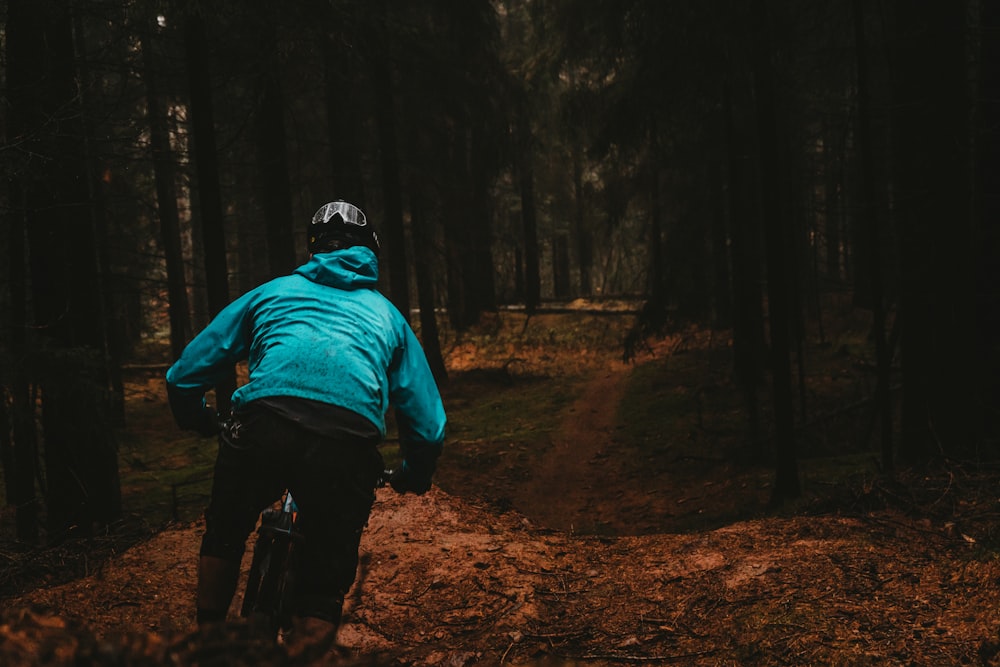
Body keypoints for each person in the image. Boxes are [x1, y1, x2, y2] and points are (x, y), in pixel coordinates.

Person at [164, 200, 446, 650]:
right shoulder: (387, 316)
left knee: (226, 528)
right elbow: (428, 424)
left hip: (264, 425)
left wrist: (197, 418)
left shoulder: (271, 293)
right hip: (346, 442)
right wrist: (414, 474)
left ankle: (208, 639)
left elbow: (186, 373)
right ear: (371, 250)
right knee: (321, 585)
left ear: (314, 249)